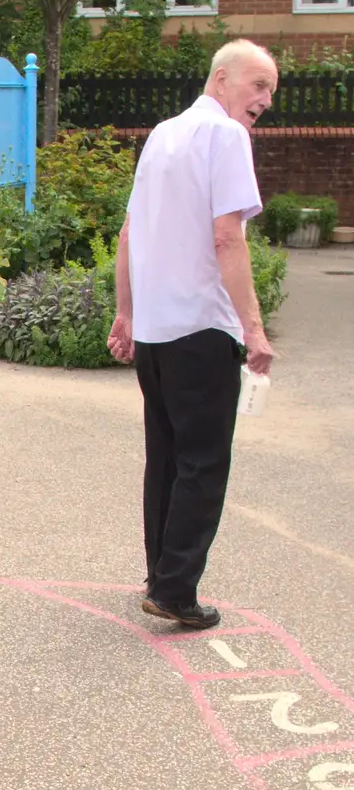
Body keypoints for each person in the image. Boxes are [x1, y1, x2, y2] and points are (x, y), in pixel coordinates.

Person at [108, 38, 277, 631]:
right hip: (202, 328)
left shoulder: (162, 133)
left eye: (271, 91)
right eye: (258, 86)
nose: (265, 101)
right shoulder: (226, 136)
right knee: (203, 463)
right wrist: (253, 331)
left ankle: (162, 577)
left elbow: (131, 232)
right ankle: (177, 589)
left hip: (156, 332)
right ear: (222, 78)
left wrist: (127, 313)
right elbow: (227, 236)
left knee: (168, 458)